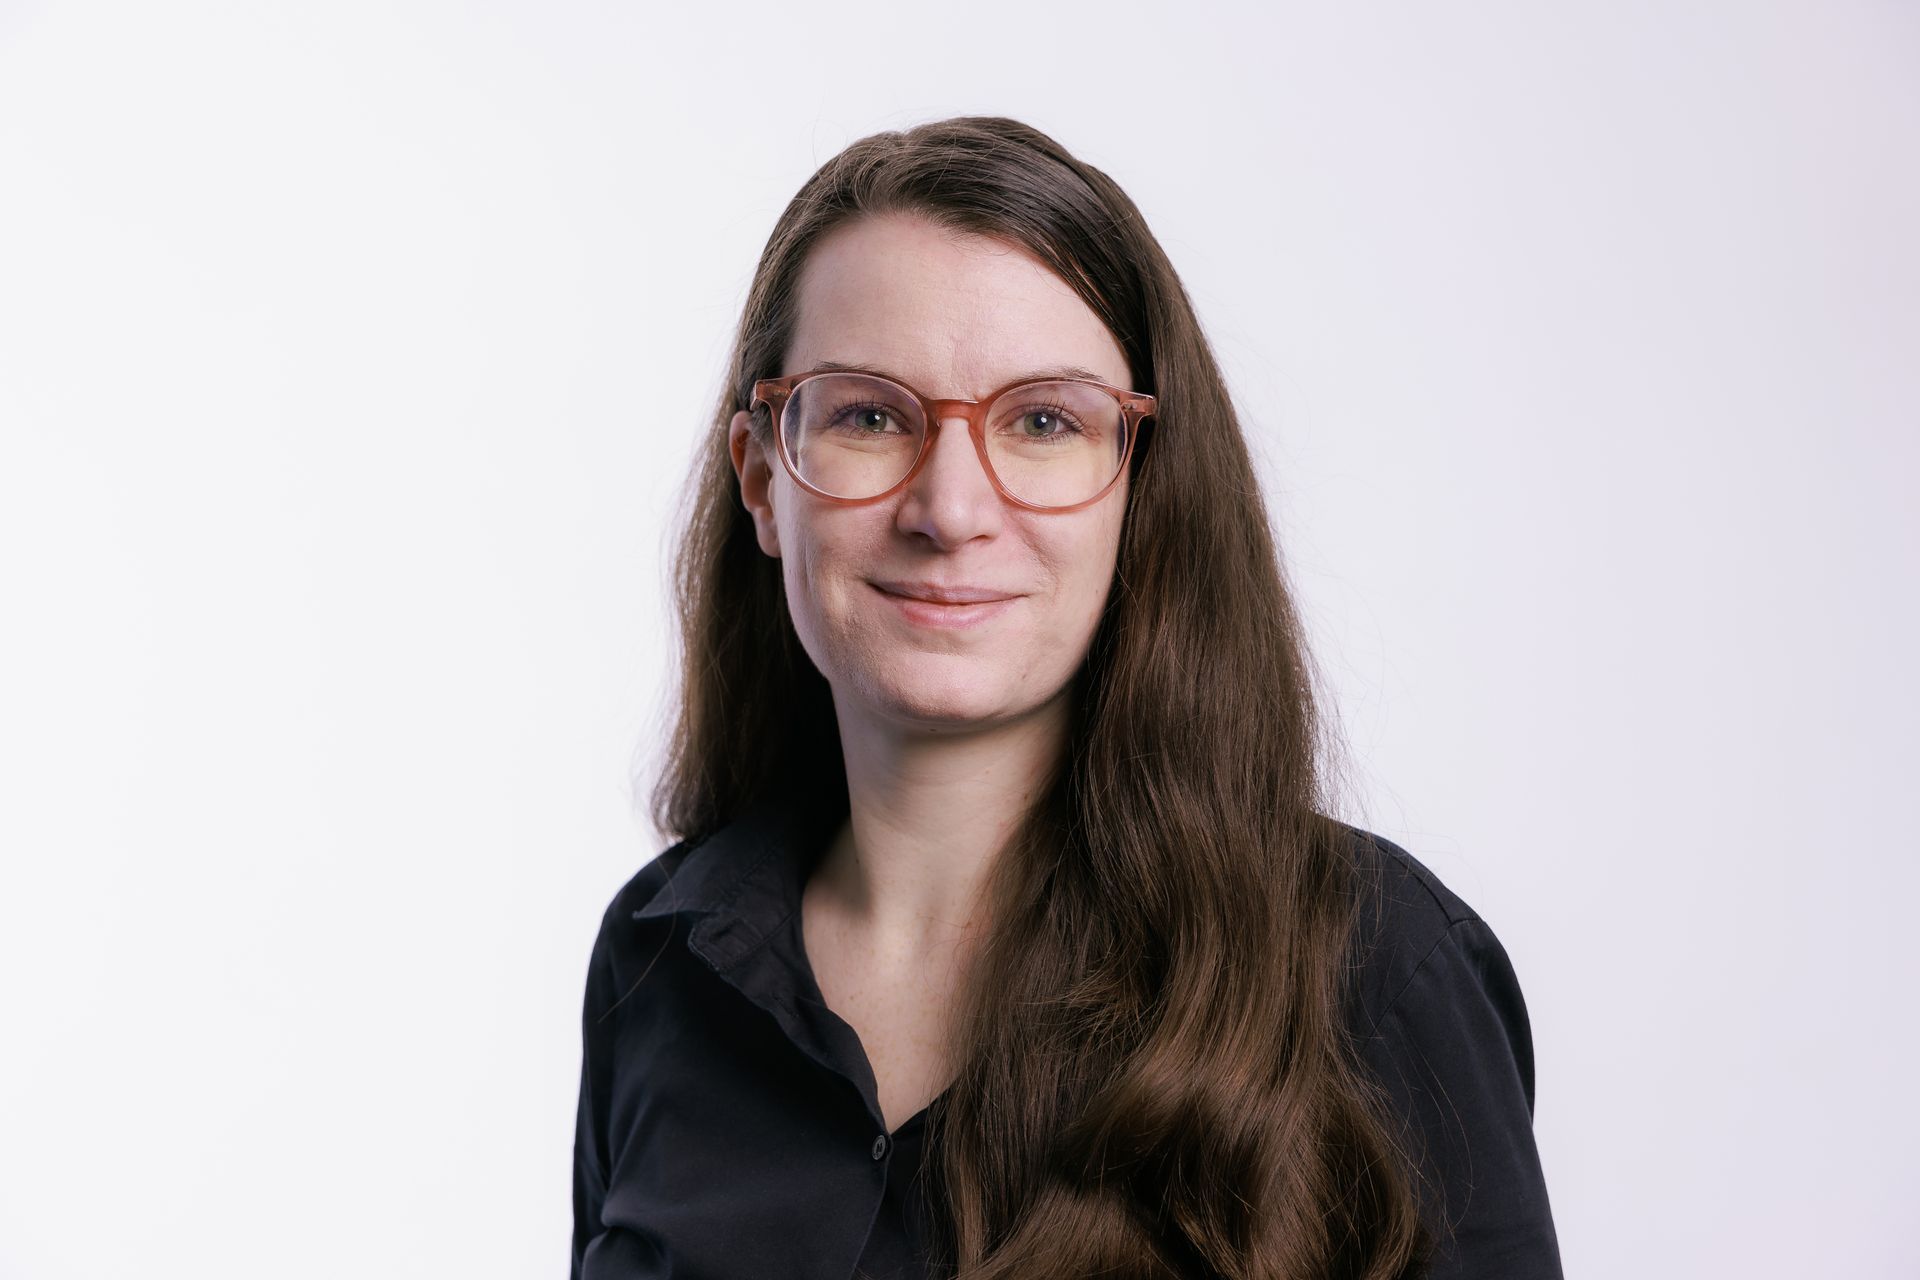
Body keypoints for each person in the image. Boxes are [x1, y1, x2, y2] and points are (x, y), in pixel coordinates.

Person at [571, 116, 1563, 1280]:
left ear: (1144, 486)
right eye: (869, 415)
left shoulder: (1374, 967)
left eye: (1044, 421)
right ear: (760, 477)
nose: (949, 509)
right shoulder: (660, 961)